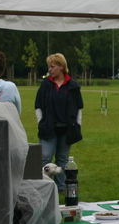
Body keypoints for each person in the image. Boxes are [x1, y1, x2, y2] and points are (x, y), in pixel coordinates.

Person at [35, 53, 84, 192]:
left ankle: (60, 187)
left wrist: (78, 125)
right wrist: (41, 122)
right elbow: (38, 105)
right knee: (45, 157)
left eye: (52, 66)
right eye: (49, 67)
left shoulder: (73, 85)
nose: (50, 69)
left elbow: (79, 107)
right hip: (49, 127)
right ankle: (43, 186)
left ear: (61, 67)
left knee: (62, 158)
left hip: (67, 128)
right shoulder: (45, 84)